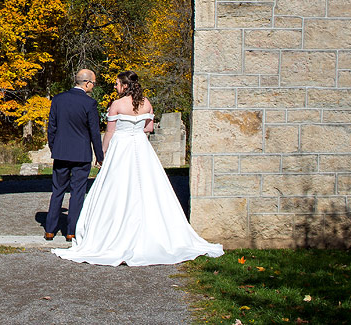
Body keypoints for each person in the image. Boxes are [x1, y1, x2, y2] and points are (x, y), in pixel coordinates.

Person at [54, 69, 224, 265]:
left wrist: (102, 154)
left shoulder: (117, 105)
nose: (115, 87)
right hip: (141, 147)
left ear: (125, 86)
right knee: (150, 188)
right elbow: (149, 128)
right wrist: (136, 131)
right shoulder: (147, 103)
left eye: (117, 84)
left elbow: (109, 132)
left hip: (121, 148)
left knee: (116, 188)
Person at [43, 69, 105, 241]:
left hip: (61, 152)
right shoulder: (89, 103)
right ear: (86, 83)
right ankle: (71, 231)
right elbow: (94, 132)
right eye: (93, 83)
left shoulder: (58, 99)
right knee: (77, 192)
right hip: (81, 154)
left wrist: (54, 147)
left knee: (57, 190)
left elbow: (52, 127)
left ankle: (49, 229)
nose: (93, 86)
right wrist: (99, 156)